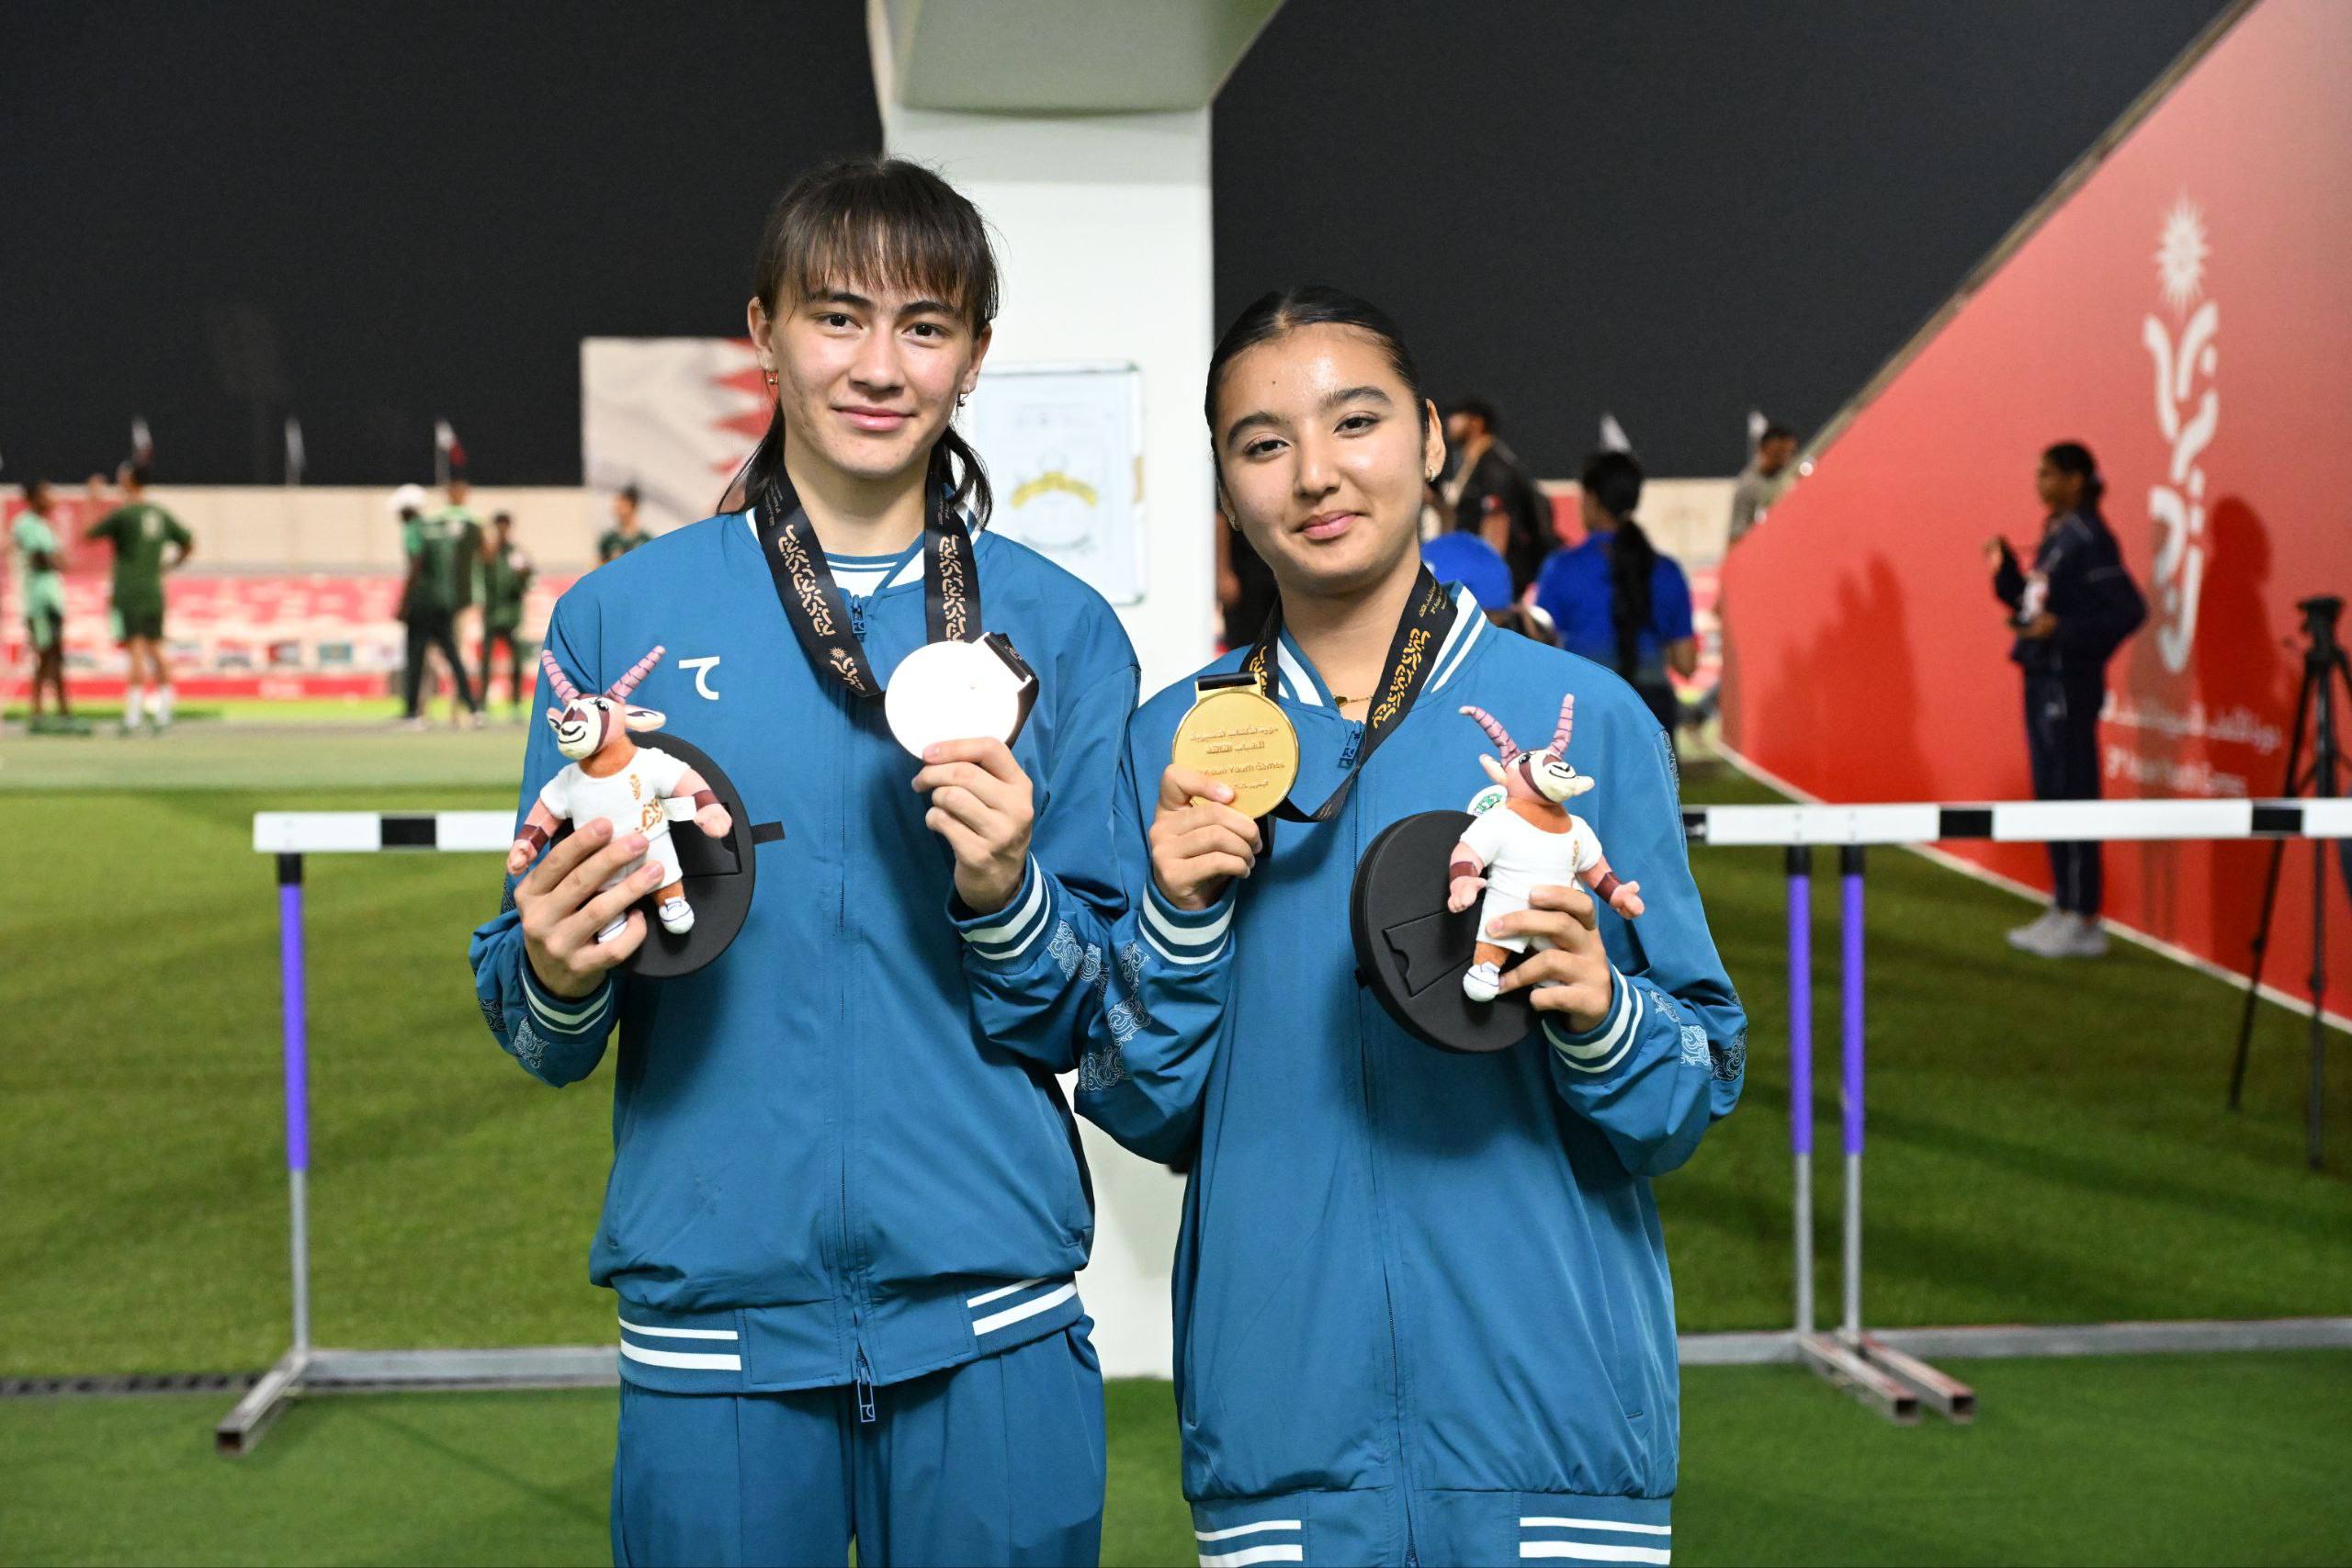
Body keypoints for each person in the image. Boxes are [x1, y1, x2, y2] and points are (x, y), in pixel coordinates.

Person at [467, 157, 1133, 1567]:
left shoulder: (1063, 630)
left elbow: (1110, 1019)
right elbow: (537, 1028)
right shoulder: (621, 624)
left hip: (993, 1318)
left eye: (924, 326)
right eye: (839, 317)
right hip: (714, 1328)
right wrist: (555, 965)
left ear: (974, 357)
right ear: (763, 331)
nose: (879, 365)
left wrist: (1006, 897)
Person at [1035, 286, 1745, 1563]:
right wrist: (1181, 923)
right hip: (1284, 1434)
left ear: (1428, 439)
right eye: (1264, 443)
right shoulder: (1173, 744)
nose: (1315, 472)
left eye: (1354, 422)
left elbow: (1694, 1086)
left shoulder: (1582, 722)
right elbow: (1139, 1105)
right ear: (1227, 488)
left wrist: (1602, 1010)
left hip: (1554, 1428)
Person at [1987, 441, 2146, 959]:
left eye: (2049, 474)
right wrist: (2005, 573)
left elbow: (2128, 610)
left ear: (2076, 479)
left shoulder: (2090, 537)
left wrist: (2064, 630)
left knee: (2073, 791)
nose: (2040, 483)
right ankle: (2063, 905)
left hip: (2068, 682)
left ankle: (2084, 918)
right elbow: (2035, 605)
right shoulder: (2059, 533)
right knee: (2052, 794)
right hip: (2041, 676)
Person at [1534, 451, 1697, 734]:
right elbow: (1686, 664)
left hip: (1584, 711)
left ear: (1591, 499)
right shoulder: (1667, 572)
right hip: (1653, 713)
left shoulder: (1561, 569)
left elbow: (1539, 654)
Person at [85, 463, 193, 734]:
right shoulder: (159, 513)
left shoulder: (125, 515)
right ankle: (165, 712)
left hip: (129, 590)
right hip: (153, 590)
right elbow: (188, 542)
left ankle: (133, 715)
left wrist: (92, 500)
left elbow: (88, 533)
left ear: (129, 481)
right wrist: (169, 566)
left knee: (135, 649)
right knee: (156, 649)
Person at [1441, 395, 1549, 595]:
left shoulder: (1494, 468)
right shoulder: (1472, 463)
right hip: (1477, 572)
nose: (1450, 421)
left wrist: (1488, 583)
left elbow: (1497, 525)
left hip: (1493, 582)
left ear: (1476, 423)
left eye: (1458, 415)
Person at [395, 483, 482, 728]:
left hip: (422, 601)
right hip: (445, 601)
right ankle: (473, 708)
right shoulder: (436, 529)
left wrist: (404, 602)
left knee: (416, 656)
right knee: (452, 656)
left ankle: (413, 713)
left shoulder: (414, 529)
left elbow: (416, 563)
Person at [11, 480, 73, 728]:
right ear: (35, 497)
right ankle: (39, 710)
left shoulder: (44, 525)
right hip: (37, 600)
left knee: (55, 655)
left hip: (52, 598)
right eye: (47, 494)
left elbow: (57, 559)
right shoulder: (25, 524)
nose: (52, 498)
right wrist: (57, 560)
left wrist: (57, 560)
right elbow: (41, 558)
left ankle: (61, 711)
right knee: (45, 654)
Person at [474, 510, 534, 718]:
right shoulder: (487, 554)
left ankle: (516, 702)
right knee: (486, 660)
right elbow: (478, 580)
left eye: (504, 526)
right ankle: (482, 704)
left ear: (509, 527)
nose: (501, 530)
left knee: (516, 660)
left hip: (511, 615)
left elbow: (527, 582)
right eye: (498, 526)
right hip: (491, 614)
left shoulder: (517, 553)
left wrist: (523, 575)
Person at [1728, 422, 1798, 545]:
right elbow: (1736, 535)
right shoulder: (1748, 486)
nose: (1784, 459)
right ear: (1763, 449)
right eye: (1777, 453)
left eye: (1789, 453)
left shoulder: (1794, 479)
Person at [598, 484, 652, 564]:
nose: (617, 509)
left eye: (622, 505)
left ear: (633, 506)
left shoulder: (646, 540)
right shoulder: (608, 539)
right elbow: (599, 566)